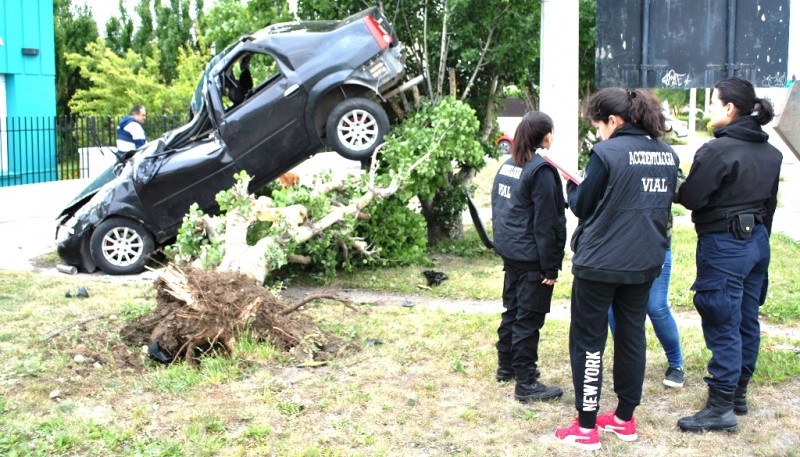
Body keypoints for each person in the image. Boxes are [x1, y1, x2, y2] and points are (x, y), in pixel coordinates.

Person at [555, 88, 679, 451]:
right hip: (645, 261)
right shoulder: (666, 154)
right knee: (631, 336)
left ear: (613, 120)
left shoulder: (606, 153)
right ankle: (625, 418)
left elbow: (582, 204)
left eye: (598, 125)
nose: (598, 133)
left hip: (600, 263)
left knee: (589, 341)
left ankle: (587, 426)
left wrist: (572, 184)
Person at [675, 77, 782, 433]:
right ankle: (737, 394)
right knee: (746, 318)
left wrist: (675, 184)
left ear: (729, 109)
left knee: (722, 319)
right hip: (757, 244)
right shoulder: (772, 153)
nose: (708, 109)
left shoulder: (717, 150)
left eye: (712, 102)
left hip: (725, 245)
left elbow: (691, 198)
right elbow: (770, 205)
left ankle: (720, 408)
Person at [490, 111, 567, 403]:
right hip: (532, 258)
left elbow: (501, 210)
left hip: (512, 253)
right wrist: (551, 267)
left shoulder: (509, 165)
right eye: (552, 131)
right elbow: (548, 223)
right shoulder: (541, 170)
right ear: (544, 136)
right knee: (528, 318)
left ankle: (505, 366)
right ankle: (526, 382)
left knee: (512, 310)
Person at [608, 215, 685, 389]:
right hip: (616, 245)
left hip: (655, 242)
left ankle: (676, 364)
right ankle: (626, 363)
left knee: (656, 306)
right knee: (614, 306)